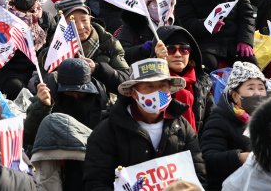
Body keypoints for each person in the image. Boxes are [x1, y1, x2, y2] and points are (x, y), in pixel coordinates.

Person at [83, 58, 207, 190]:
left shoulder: (182, 127)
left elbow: (198, 174)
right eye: (150, 86)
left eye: (163, 86)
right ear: (133, 93)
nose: (157, 92)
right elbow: (96, 182)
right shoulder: (107, 131)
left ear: (170, 89)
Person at [201, 61, 267, 191]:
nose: (257, 93)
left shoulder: (269, 119)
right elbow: (208, 159)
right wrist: (240, 157)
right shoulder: (219, 120)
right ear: (235, 96)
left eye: (261, 88)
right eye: (251, 88)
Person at [53, 0, 129, 95]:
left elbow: (126, 83)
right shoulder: (54, 52)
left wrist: (98, 69)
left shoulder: (109, 43)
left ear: (90, 19)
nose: (80, 27)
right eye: (72, 22)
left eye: (84, 20)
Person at [24, 58, 109, 148]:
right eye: (70, 92)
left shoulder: (98, 97)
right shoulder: (47, 95)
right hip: (56, 149)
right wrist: (43, 106)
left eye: (80, 93)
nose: (75, 96)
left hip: (89, 148)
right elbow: (29, 138)